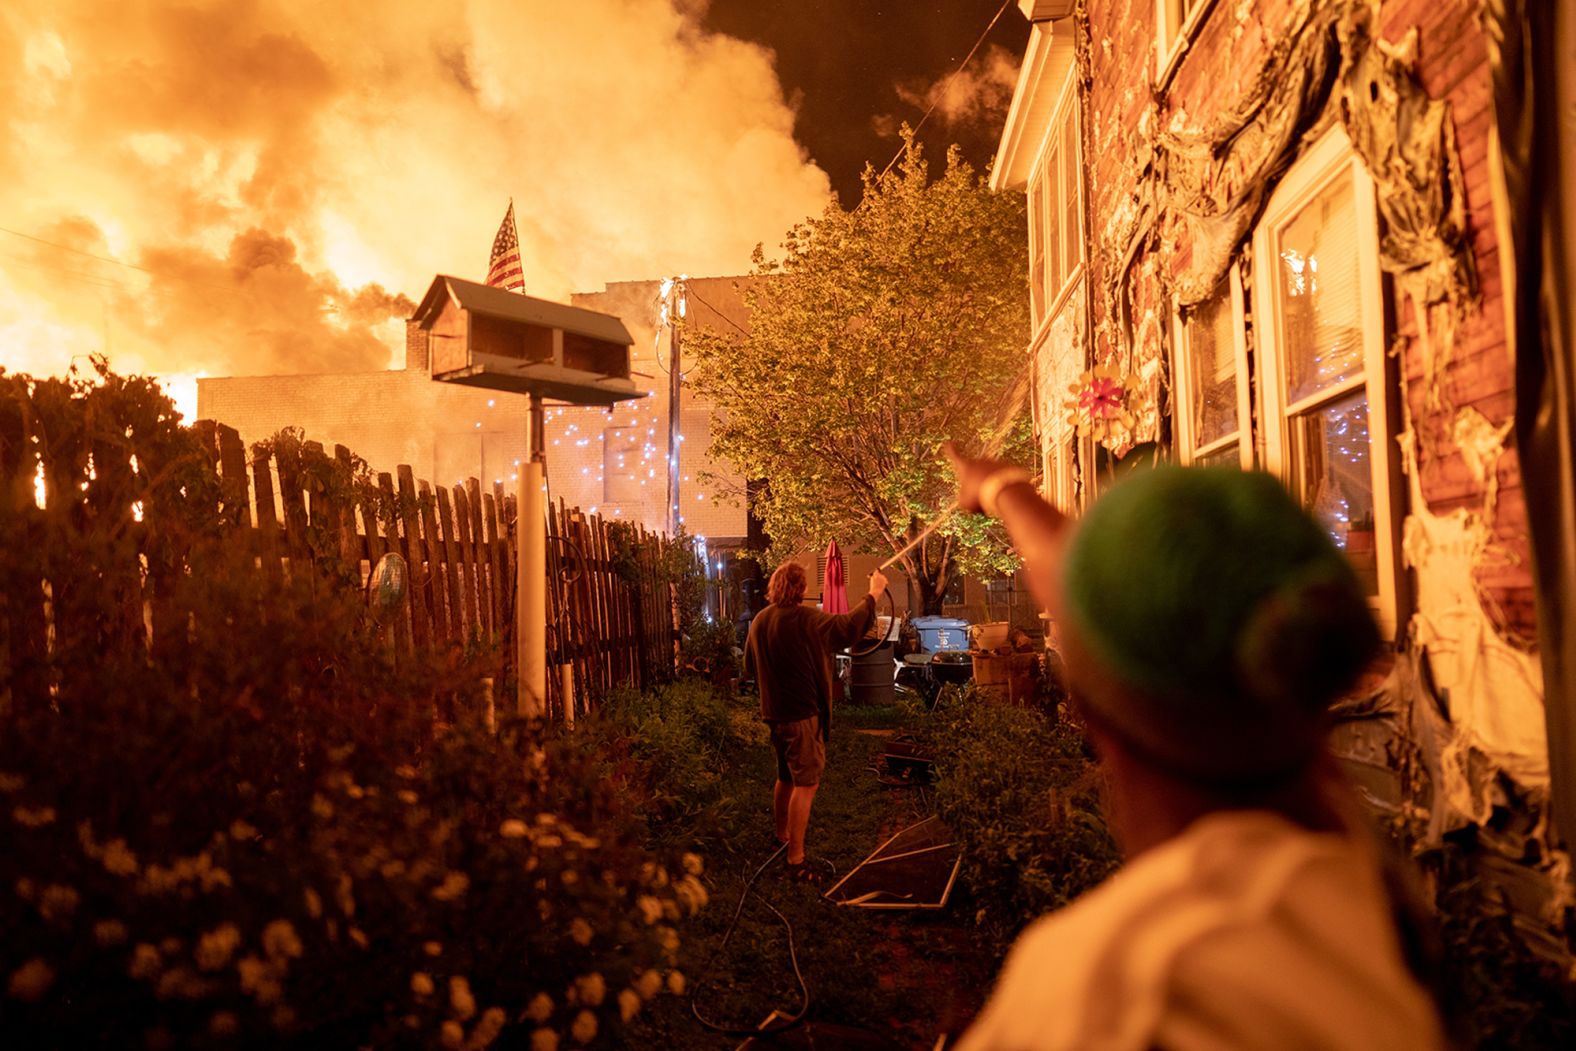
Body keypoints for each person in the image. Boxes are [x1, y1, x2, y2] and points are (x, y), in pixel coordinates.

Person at [944, 446, 1446, 1051]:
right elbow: (1095, 586)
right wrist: (1001, 488)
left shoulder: (1114, 993)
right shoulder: (1363, 903)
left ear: (1100, 699)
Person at [744, 560, 888, 882]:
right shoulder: (807, 620)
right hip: (802, 715)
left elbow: (749, 667)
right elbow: (849, 628)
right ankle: (796, 860)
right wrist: (873, 594)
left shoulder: (760, 620)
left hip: (774, 713)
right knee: (806, 784)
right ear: (801, 588)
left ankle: (781, 837)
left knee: (785, 777)